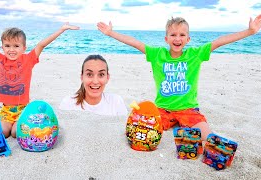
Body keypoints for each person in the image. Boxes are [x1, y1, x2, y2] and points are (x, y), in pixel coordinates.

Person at [97, 15, 261, 140]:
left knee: (208, 136)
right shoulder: (157, 55)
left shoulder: (195, 54)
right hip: (162, 109)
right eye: (173, 34)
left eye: (182, 35)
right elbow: (135, 43)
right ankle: (175, 127)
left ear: (188, 39)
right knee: (142, 130)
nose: (177, 38)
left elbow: (219, 42)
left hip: (188, 110)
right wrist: (111, 33)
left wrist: (250, 31)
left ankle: (187, 130)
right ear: (166, 38)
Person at [59, 54, 128, 116]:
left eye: (101, 74)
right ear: (82, 77)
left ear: (107, 77)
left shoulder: (116, 102)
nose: (95, 81)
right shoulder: (68, 103)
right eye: (89, 74)